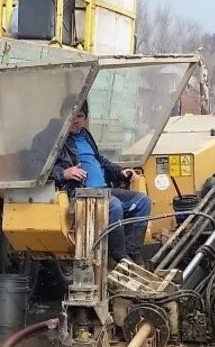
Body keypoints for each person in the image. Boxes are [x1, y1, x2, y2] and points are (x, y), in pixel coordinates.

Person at [49, 101, 151, 263]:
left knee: (142, 201)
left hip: (103, 190)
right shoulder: (53, 139)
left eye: (80, 116)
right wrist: (64, 173)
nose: (76, 120)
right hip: (80, 192)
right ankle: (119, 257)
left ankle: (133, 253)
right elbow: (39, 167)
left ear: (85, 118)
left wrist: (120, 172)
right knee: (114, 205)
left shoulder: (85, 135)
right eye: (71, 116)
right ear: (63, 116)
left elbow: (100, 161)